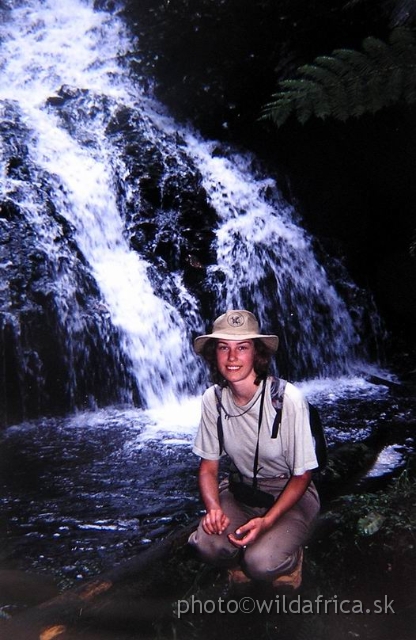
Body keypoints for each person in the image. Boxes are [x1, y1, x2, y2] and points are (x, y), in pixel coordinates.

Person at [188, 309, 320, 588]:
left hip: (289, 495)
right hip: (241, 491)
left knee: (261, 563)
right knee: (207, 546)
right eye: (224, 347)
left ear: (256, 354)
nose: (232, 357)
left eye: (242, 347)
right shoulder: (213, 399)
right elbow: (209, 467)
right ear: (215, 355)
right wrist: (213, 508)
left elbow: (302, 476)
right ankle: (239, 555)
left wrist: (267, 522)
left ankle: (291, 559)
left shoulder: (287, 399)